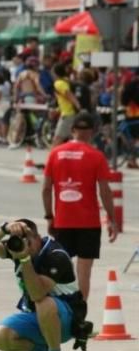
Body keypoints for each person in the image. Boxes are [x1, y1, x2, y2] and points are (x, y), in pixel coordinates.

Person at [0, 218, 86, 351]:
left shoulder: (56, 256)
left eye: (28, 240)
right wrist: (3, 230)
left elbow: (37, 294)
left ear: (38, 238)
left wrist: (25, 260)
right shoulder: (17, 247)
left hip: (67, 320)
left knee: (44, 302)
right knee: (0, 337)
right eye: (21, 241)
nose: (25, 245)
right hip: (38, 316)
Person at [42, 112, 118, 302]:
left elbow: (45, 189)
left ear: (72, 130)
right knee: (84, 271)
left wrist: (49, 216)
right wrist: (112, 219)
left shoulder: (55, 153)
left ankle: (60, 312)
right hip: (89, 222)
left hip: (63, 221)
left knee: (60, 270)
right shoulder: (96, 156)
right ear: (91, 132)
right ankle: (80, 316)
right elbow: (105, 191)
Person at [51, 63, 80, 145]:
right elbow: (64, 100)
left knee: (57, 139)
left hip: (68, 114)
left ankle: (52, 157)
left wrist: (78, 105)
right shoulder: (66, 81)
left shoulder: (59, 83)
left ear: (55, 73)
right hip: (69, 113)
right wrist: (58, 110)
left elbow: (69, 95)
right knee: (71, 139)